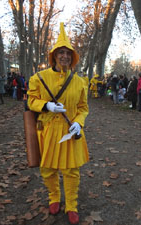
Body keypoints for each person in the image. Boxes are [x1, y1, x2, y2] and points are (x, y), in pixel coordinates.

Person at [27, 22, 89, 224]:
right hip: (46, 130)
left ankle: (71, 205)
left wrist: (79, 123)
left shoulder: (80, 82)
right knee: (48, 168)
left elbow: (83, 108)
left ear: (72, 57)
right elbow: (31, 100)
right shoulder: (38, 78)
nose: (65, 56)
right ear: (54, 55)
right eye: (60, 52)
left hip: (70, 131)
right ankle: (54, 197)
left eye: (68, 53)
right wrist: (47, 106)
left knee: (71, 170)